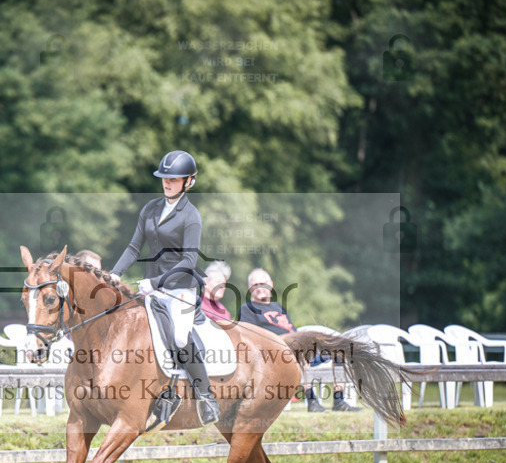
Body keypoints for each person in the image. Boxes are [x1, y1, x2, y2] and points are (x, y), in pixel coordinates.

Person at [111, 150, 220, 425]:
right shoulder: (150, 208)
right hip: (152, 287)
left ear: (188, 182)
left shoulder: (191, 216)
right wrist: (114, 272)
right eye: (164, 178)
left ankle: (206, 395)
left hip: (180, 289)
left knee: (180, 337)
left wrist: (157, 283)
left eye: (173, 179)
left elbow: (189, 259)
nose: (167, 183)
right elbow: (135, 246)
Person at [239, 268, 358, 413]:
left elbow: (292, 330)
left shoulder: (278, 307)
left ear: (270, 284)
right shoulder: (247, 309)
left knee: (338, 351)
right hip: (275, 354)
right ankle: (312, 401)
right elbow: (248, 338)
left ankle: (339, 400)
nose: (259, 288)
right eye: (255, 285)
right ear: (249, 288)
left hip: (296, 346)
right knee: (297, 352)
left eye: (262, 283)